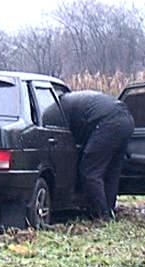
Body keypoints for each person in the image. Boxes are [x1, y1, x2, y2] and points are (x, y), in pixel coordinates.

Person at [58, 90, 136, 221]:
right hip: (126, 119)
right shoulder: (73, 100)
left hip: (108, 122)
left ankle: (101, 215)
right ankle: (108, 210)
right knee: (111, 172)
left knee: (90, 171)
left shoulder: (60, 108)